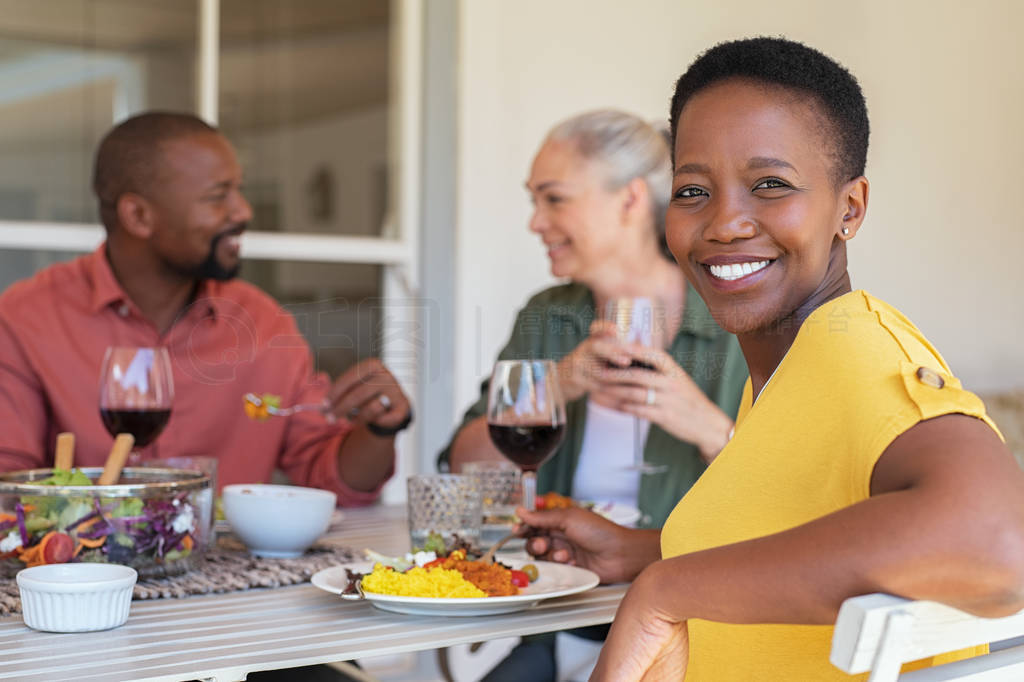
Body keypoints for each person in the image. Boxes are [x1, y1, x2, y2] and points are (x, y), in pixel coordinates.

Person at [519, 37, 1024, 681]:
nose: (726, 222)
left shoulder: (853, 350)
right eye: (693, 191)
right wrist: (645, 554)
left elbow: (999, 543)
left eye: (770, 185)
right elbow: (806, 531)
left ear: (850, 207)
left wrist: (666, 589)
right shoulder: (786, 368)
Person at [437, 110, 747, 681]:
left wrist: (706, 426)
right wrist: (557, 385)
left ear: (630, 200)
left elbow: (784, 501)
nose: (536, 222)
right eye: (534, 201)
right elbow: (464, 464)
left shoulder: (733, 318)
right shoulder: (549, 316)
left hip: (693, 624)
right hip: (560, 611)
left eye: (554, 200)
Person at [0, 112, 412, 504]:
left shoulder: (264, 324)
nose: (243, 211)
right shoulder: (25, 319)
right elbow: (8, 484)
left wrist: (379, 427)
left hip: (234, 576)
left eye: (239, 190)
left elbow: (331, 478)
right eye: (218, 197)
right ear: (139, 216)